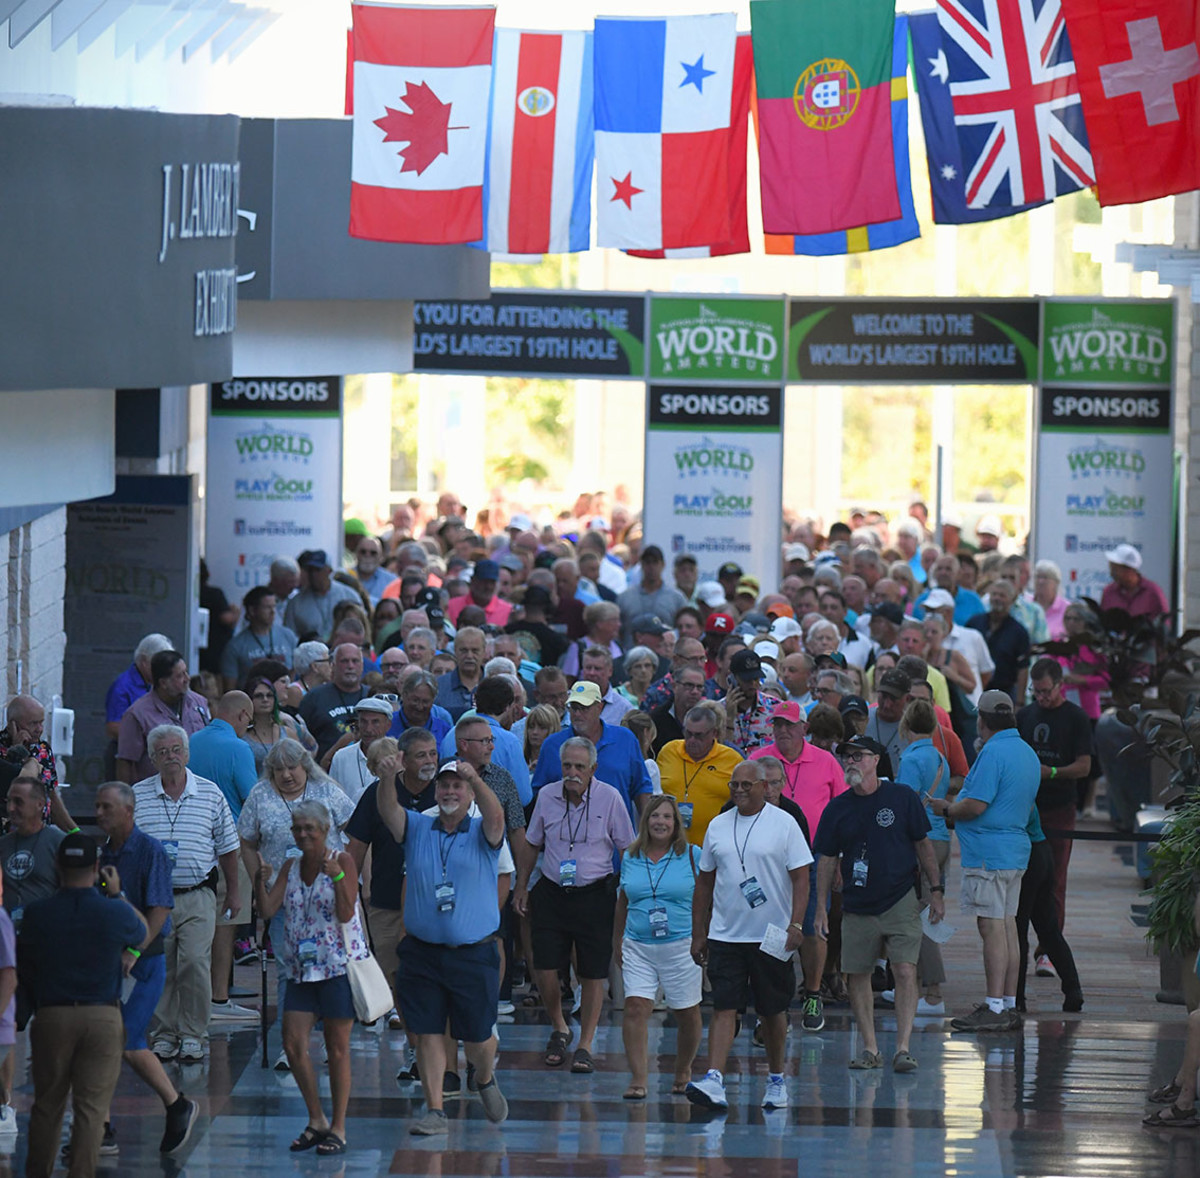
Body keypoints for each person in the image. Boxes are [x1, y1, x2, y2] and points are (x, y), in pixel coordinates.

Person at [374, 754, 511, 1135]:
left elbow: (498, 818)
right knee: (428, 1030)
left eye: (458, 785)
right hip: (423, 951)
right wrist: (388, 779)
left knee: (479, 1034)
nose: (451, 790)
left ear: (469, 794)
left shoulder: (483, 830)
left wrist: (476, 779)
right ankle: (434, 1109)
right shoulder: (419, 826)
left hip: (474, 953)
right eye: (445, 785)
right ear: (436, 791)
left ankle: (483, 1076)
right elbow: (390, 813)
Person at [18, 833, 147, 1178]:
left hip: (52, 1015)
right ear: (96, 868)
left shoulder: (37, 914)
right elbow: (141, 931)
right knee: (91, 1109)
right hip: (102, 1017)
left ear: (58, 866)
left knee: (47, 1105)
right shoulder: (112, 911)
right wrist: (116, 892)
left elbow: (25, 964)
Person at [813, 735, 944, 1073]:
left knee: (904, 969)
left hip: (900, 897)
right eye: (846, 756)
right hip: (857, 902)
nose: (851, 762)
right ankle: (870, 1048)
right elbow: (827, 859)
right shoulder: (837, 808)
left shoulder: (901, 798)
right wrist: (820, 909)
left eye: (859, 756)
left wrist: (937, 889)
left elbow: (923, 845)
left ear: (876, 761)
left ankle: (903, 1047)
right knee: (857, 974)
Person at [686, 760, 811, 1112]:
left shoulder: (784, 823)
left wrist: (797, 924)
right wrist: (700, 932)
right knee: (724, 1005)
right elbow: (705, 883)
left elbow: (801, 877)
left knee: (772, 1010)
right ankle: (714, 1077)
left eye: (746, 785)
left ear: (763, 786)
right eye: (734, 785)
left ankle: (775, 1079)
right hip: (727, 933)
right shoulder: (718, 825)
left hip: (772, 934)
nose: (739, 791)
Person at [516, 736, 635, 1075]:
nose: (572, 772)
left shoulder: (610, 798)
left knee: (593, 971)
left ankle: (586, 1043)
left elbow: (627, 849)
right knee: (544, 965)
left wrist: (629, 896)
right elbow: (531, 844)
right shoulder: (547, 797)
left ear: (593, 769)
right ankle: (560, 1026)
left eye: (579, 767)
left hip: (595, 894)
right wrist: (522, 886)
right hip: (552, 891)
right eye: (567, 765)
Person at [94, 782, 198, 1156]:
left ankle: (176, 1104)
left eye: (107, 807)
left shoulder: (149, 850)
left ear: (129, 811)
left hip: (145, 957)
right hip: (112, 960)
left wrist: (136, 951)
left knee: (124, 1040)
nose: (100, 814)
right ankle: (102, 1126)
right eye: (97, 807)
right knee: (109, 1042)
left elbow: (160, 909)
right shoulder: (105, 852)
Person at [255, 800, 363, 1156]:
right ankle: (316, 1118)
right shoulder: (290, 865)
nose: (302, 835)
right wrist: (259, 880)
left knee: (337, 1049)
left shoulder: (341, 860)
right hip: (301, 969)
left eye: (309, 829)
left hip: (335, 969)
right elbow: (268, 909)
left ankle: (340, 1126)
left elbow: (347, 912)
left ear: (324, 829)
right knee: (293, 1043)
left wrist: (337, 876)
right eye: (297, 828)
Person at [237, 739, 354, 1066]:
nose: (286, 775)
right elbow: (246, 840)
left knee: (333, 969)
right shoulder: (260, 794)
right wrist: (258, 876)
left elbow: (354, 829)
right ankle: (292, 1048)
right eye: (279, 769)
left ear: (305, 766)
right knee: (289, 971)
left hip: (328, 897)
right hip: (284, 895)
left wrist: (351, 872)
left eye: (292, 767)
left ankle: (334, 1044)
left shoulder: (325, 789)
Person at [930, 690, 1040, 1032]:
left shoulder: (993, 752)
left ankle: (994, 1007)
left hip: (989, 854)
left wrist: (946, 808)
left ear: (982, 720)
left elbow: (976, 805)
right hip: (1015, 851)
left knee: (992, 927)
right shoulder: (1026, 752)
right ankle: (1007, 1003)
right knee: (1008, 927)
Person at [133, 725, 241, 1064]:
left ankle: (194, 1034)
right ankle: (165, 1034)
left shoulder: (210, 793)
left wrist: (234, 892)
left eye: (176, 749)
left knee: (194, 962)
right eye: (162, 752)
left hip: (198, 893)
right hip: (153, 900)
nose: (171, 757)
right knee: (162, 965)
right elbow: (125, 847)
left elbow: (228, 848)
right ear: (152, 758)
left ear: (187, 753)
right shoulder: (137, 795)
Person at [748, 701, 846, 1032]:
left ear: (805, 728)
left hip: (816, 855)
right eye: (778, 724)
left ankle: (813, 994)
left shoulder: (826, 761)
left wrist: (841, 859)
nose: (783, 731)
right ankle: (771, 1002)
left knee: (813, 926)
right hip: (766, 857)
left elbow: (841, 809)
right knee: (770, 927)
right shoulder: (757, 759)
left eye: (790, 724)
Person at [613, 795, 703, 1100]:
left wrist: (706, 937)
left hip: (682, 944)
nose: (660, 822)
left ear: (676, 823)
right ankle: (638, 1078)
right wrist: (618, 941)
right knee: (636, 1008)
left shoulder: (692, 855)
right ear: (645, 821)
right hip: (637, 944)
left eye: (667, 817)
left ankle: (683, 1069)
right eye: (655, 816)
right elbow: (623, 900)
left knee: (686, 1012)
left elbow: (709, 897)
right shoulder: (630, 856)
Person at [346, 731, 437, 1015]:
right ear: (403, 759)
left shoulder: (446, 790)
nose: (429, 761)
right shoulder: (378, 792)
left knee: (429, 974)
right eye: (421, 755)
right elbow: (356, 848)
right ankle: (410, 1039)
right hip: (386, 900)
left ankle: (426, 1037)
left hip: (432, 903)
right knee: (392, 971)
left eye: (433, 753)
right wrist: (350, 894)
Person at [1017, 659, 1093, 942]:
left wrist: (1049, 772)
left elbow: (1084, 766)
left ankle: (1049, 947)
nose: (1041, 698)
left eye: (1046, 691)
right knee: (1023, 877)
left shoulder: (1076, 717)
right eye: (1036, 692)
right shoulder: (1025, 715)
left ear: (1061, 685)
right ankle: (1020, 941)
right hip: (1026, 808)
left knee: (1055, 879)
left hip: (1060, 806)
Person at [893, 701, 952, 1013]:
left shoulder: (911, 758)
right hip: (941, 836)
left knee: (916, 914)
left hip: (920, 840)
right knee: (925, 908)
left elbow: (904, 802)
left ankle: (931, 992)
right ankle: (915, 986)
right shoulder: (940, 757)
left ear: (906, 725)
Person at [532, 681, 652, 817]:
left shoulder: (625, 739)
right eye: (573, 707)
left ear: (599, 707)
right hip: (566, 834)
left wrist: (645, 830)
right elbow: (539, 794)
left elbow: (642, 788)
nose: (577, 714)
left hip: (616, 833)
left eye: (584, 708)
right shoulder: (552, 745)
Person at [116, 650, 211, 784]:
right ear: (163, 683)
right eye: (180, 675)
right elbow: (125, 761)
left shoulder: (199, 703)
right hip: (155, 793)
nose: (187, 679)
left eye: (186, 672)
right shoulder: (137, 714)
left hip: (197, 790)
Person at [657, 704, 742, 845]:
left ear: (714, 733)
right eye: (688, 734)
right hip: (669, 846)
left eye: (698, 735)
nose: (692, 740)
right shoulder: (668, 751)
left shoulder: (732, 759)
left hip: (714, 846)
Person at [297, 642, 366, 759]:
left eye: (355, 661)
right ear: (332, 665)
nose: (350, 666)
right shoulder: (314, 698)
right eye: (344, 661)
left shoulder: (372, 696)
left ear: (362, 665)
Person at [220, 586, 298, 689]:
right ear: (252, 610)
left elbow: (296, 670)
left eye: (274, 606)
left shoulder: (289, 636)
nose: (273, 611)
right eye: (267, 607)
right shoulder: (235, 646)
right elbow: (230, 690)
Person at [966, 580, 1030, 704]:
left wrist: (1019, 702)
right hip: (974, 690)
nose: (997, 598)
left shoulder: (1019, 632)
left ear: (1011, 600)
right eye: (994, 594)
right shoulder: (974, 623)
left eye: (1002, 595)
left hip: (1004, 693)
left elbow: (1023, 669)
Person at [283, 550, 362, 641]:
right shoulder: (296, 603)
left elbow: (362, 627)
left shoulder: (349, 595)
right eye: (310, 570)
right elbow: (289, 636)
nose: (313, 575)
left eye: (317, 570)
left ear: (329, 571)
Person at [618, 546, 687, 648]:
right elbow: (617, 632)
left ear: (663, 565)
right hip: (631, 657)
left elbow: (685, 631)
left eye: (655, 562)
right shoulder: (625, 597)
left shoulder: (677, 598)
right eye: (647, 562)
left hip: (665, 658)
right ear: (641, 565)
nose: (651, 567)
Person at [329, 697, 394, 804]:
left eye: (375, 722)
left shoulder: (397, 758)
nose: (368, 729)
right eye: (363, 722)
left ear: (388, 725)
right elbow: (332, 799)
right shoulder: (341, 757)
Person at [1099, 543, 1169, 618]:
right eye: (1111, 568)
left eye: (1115, 569)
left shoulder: (1152, 592)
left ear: (1129, 570)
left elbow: (1164, 623)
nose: (1112, 573)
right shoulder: (1109, 592)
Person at [648, 666, 707, 755]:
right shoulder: (656, 718)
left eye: (699, 687)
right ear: (674, 686)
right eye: (689, 685)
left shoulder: (708, 718)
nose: (695, 691)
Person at [435, 626, 486, 721]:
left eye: (475, 651)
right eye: (463, 650)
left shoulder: (494, 685)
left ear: (484, 652)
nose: (469, 656)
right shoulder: (438, 686)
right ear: (455, 651)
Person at [446, 559, 513, 627]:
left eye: (492, 582)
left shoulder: (507, 610)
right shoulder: (451, 606)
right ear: (473, 580)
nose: (488, 587)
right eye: (484, 582)